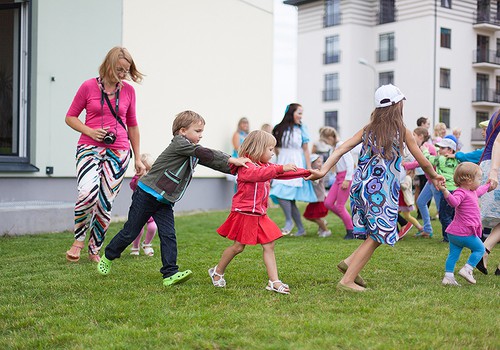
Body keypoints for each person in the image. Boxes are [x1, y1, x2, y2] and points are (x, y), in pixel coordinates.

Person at [306, 84, 444, 292]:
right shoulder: (402, 131)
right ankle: (347, 281)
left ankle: (349, 263)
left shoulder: (368, 128)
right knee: (379, 235)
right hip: (380, 192)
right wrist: (434, 175)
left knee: (378, 233)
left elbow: (342, 148)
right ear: (397, 106)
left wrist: (323, 170)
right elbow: (423, 161)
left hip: (361, 188)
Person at [97, 111, 251, 286]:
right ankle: (108, 256)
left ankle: (170, 273)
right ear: (183, 131)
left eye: (202, 132)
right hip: (146, 194)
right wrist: (233, 158)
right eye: (198, 131)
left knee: (169, 235)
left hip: (164, 201)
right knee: (130, 231)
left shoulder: (192, 150)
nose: (201, 135)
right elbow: (205, 153)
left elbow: (212, 161)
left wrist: (237, 168)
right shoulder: (180, 144)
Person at [65, 46, 146, 263]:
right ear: (108, 65)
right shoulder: (88, 86)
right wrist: (90, 131)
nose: (122, 75)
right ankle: (79, 240)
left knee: (104, 202)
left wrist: (137, 158)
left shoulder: (128, 91)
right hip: (89, 148)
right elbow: (70, 117)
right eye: (119, 69)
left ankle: (94, 249)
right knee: (86, 192)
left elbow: (133, 125)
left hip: (119, 151)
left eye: (126, 71)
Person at [208, 130, 310, 294]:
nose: (272, 154)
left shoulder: (265, 166)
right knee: (238, 247)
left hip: (260, 214)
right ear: (258, 148)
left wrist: (307, 173)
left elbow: (279, 172)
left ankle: (274, 282)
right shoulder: (246, 166)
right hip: (245, 213)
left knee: (269, 245)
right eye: (270, 150)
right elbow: (259, 175)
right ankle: (217, 272)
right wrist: (281, 168)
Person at [439, 162, 490, 285]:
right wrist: (445, 191)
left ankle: (448, 277)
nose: (480, 181)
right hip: (465, 232)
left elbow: (481, 190)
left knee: (453, 255)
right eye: (479, 179)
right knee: (480, 249)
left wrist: (488, 186)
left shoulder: (472, 192)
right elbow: (454, 202)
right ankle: (468, 269)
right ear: (469, 180)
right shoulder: (460, 192)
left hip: (454, 233)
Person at [271, 104, 317, 236]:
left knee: (285, 195)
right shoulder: (279, 128)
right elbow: (276, 147)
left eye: (302, 113)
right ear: (291, 113)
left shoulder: (302, 128)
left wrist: (308, 167)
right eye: (299, 113)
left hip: (296, 162)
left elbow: (306, 149)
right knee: (285, 196)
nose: (301, 116)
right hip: (282, 161)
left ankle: (289, 222)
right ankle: (299, 227)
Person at [319, 126, 355, 240]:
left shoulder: (341, 145)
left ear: (330, 137)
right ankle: (347, 218)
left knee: (340, 206)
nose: (325, 143)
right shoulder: (332, 148)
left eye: (326, 141)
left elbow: (350, 163)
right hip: (338, 177)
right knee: (328, 203)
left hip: (345, 178)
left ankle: (351, 231)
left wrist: (347, 179)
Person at [422, 137, 459, 242]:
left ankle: (448, 238)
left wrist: (424, 149)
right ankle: (456, 235)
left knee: (444, 215)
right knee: (452, 215)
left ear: (450, 150)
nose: (439, 150)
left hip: (446, 190)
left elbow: (427, 158)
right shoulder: (457, 160)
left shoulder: (441, 159)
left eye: (443, 148)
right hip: (456, 189)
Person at [405, 127, 439, 237]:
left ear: (420, 136)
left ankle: (452, 234)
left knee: (441, 209)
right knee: (420, 202)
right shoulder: (420, 148)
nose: (412, 137)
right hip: (430, 181)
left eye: (414, 135)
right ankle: (428, 229)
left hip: (436, 181)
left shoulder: (428, 147)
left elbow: (420, 162)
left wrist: (404, 165)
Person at [477, 112, 500, 276]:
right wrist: (494, 171)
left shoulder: (495, 114)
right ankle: (483, 250)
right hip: (496, 166)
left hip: (489, 164)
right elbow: (499, 142)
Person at [129, 153, 157, 256]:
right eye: (145, 169)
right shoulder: (136, 179)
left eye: (149, 170)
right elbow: (133, 186)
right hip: (139, 208)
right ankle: (135, 246)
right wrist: (139, 176)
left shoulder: (154, 179)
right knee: (138, 229)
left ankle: (147, 244)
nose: (147, 173)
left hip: (151, 208)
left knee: (153, 227)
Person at [303, 154, 330, 237]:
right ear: (312, 163)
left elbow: (316, 181)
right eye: (318, 162)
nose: (320, 164)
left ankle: (326, 231)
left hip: (319, 199)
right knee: (308, 216)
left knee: (316, 216)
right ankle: (322, 223)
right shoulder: (313, 172)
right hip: (314, 199)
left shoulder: (320, 172)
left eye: (321, 162)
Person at [398, 167, 423, 239]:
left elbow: (405, 187)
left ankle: (420, 228)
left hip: (405, 201)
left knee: (407, 216)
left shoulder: (407, 178)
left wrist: (399, 183)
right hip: (401, 200)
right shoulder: (404, 177)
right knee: (395, 215)